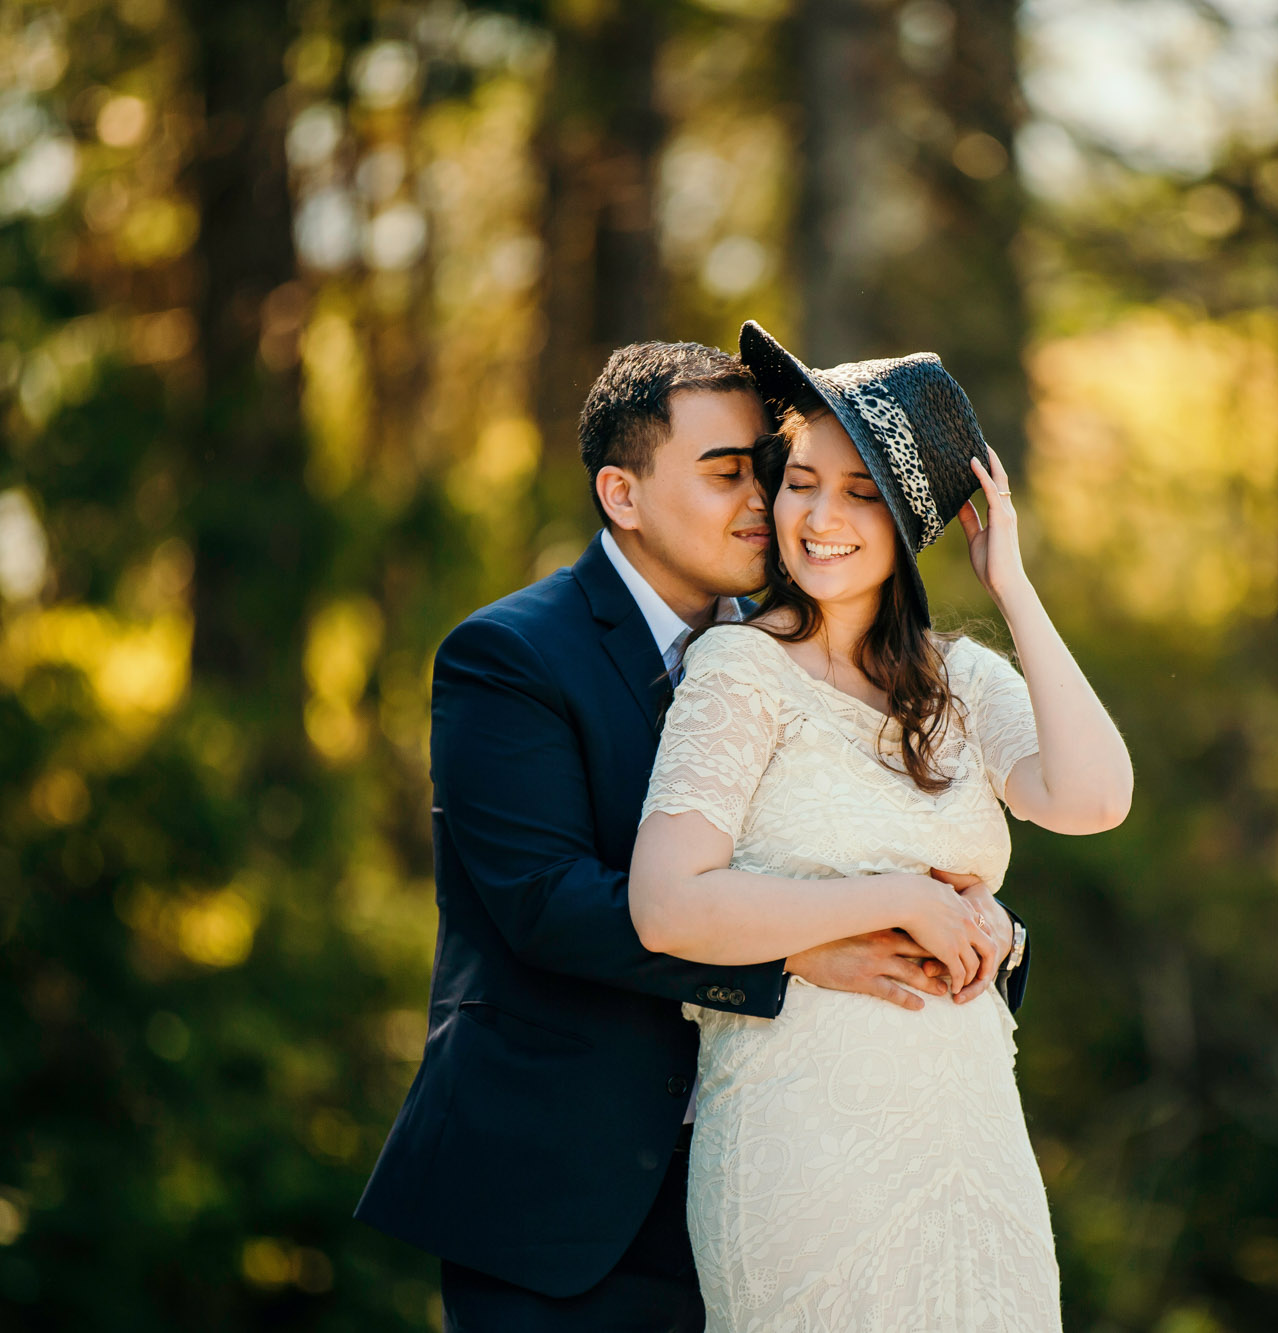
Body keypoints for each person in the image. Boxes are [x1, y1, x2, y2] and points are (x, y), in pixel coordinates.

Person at [354, 339, 1033, 1332]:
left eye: (766, 468)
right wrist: (798, 950)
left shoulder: (804, 650)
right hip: (560, 1203)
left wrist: (975, 927)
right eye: (726, 473)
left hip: (770, 1180)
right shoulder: (507, 655)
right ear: (621, 495)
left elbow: (858, 848)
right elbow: (544, 902)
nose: (765, 501)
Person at [627, 322, 1133, 1331]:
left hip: (969, 1134)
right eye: (801, 480)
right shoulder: (740, 669)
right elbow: (665, 903)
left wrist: (1015, 590)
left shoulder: (962, 681)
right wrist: (903, 896)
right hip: (802, 1137)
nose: (818, 516)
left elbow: (1093, 799)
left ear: (907, 526)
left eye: (860, 494)